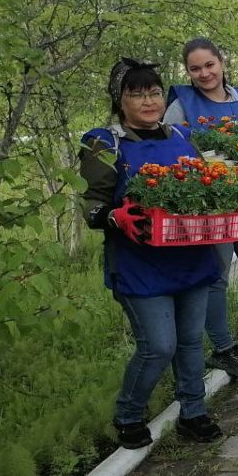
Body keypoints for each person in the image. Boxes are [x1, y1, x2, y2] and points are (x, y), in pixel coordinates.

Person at [80, 58, 224, 449]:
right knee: (159, 345)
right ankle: (128, 414)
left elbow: (206, 186)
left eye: (155, 92)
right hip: (140, 264)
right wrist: (114, 216)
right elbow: (91, 203)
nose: (148, 101)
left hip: (192, 257)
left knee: (192, 341)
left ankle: (193, 413)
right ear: (120, 100)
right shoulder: (104, 143)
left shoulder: (180, 135)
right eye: (137, 94)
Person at [163, 37, 238, 383]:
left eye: (209, 65)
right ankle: (224, 349)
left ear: (222, 62)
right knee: (217, 279)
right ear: (188, 71)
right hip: (213, 210)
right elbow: (170, 153)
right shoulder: (181, 106)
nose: (204, 73)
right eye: (195, 68)